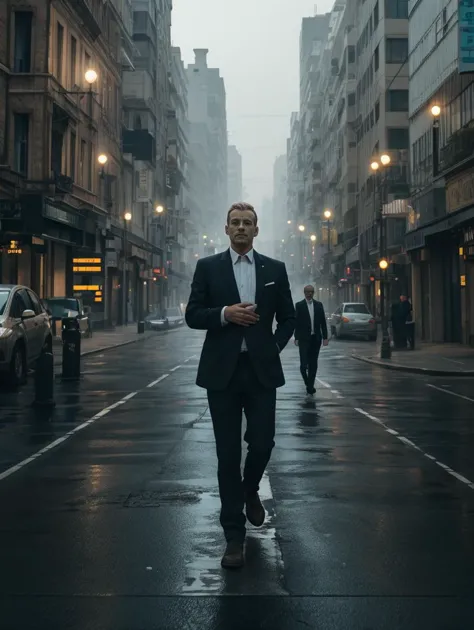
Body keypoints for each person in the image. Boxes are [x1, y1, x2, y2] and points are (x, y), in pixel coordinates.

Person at [185, 202, 295, 569]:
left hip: (261, 372)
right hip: (222, 373)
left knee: (263, 442)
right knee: (227, 455)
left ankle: (250, 490)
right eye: (236, 223)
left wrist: (271, 349)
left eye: (248, 223)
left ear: (256, 230)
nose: (242, 228)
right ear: (226, 228)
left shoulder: (274, 270)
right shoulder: (208, 267)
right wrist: (224, 314)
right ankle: (234, 537)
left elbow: (289, 318)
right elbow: (192, 315)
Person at [294, 285, 328, 396]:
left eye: (311, 292)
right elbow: (296, 323)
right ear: (304, 293)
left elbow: (323, 322)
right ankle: (308, 383)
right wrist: (296, 337)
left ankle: (310, 386)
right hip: (304, 339)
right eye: (307, 292)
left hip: (316, 339)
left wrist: (325, 337)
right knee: (303, 365)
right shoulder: (299, 305)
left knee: (313, 364)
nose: (309, 294)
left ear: (314, 293)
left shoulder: (319, 305)